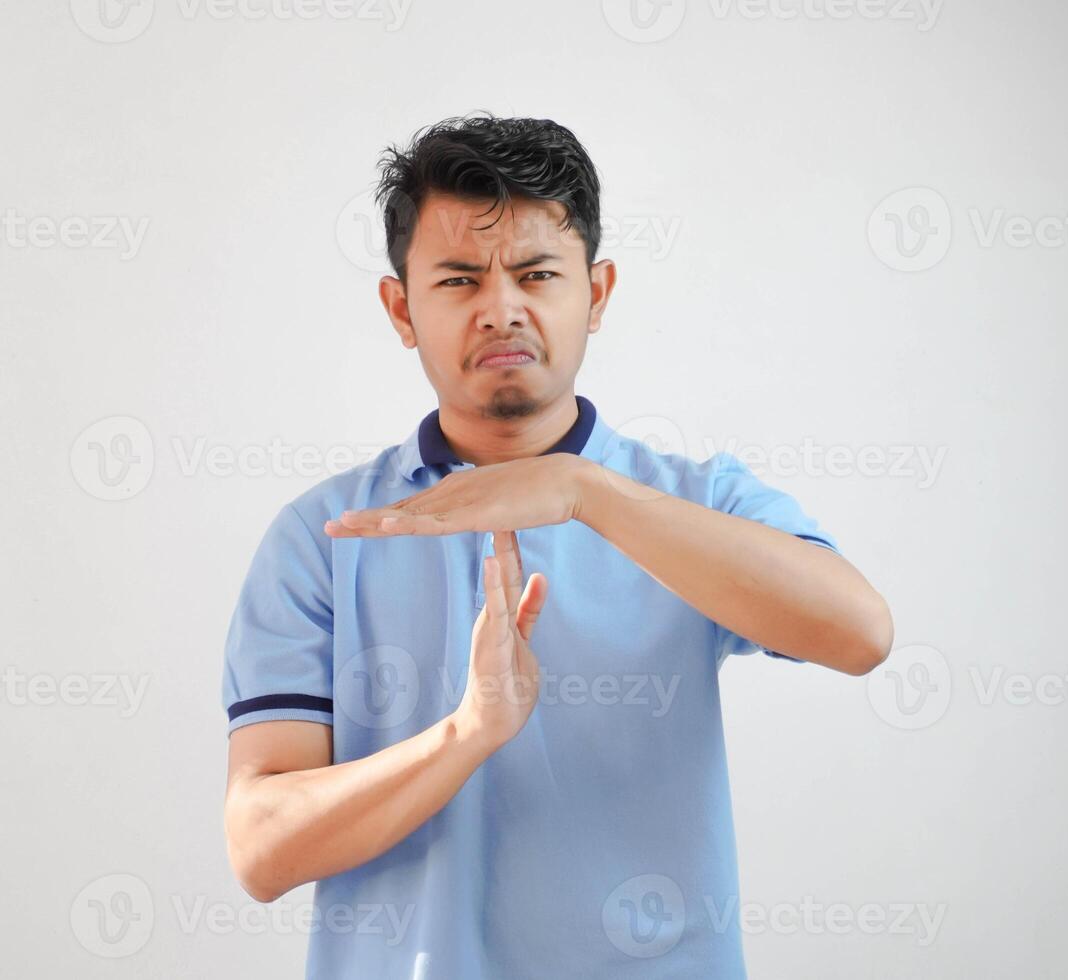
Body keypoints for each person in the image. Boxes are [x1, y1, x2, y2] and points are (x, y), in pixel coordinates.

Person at [220, 112, 893, 979]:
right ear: (401, 309)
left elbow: (861, 633)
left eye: (537, 273)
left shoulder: (692, 501)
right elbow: (259, 848)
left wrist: (583, 492)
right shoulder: (328, 537)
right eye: (459, 280)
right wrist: (466, 734)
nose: (503, 308)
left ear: (598, 293)